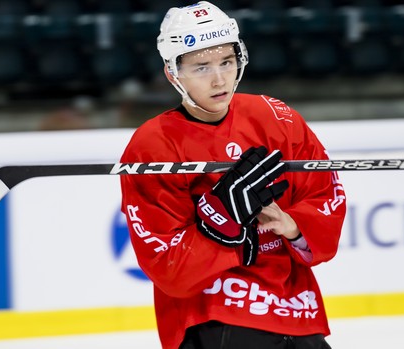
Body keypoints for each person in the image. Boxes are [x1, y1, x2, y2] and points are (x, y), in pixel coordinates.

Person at [119, 2, 347, 348]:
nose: (219, 78)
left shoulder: (276, 117)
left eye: (226, 62)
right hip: (211, 316)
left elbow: (324, 196)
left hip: (294, 310)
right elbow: (167, 268)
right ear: (172, 74)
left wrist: (294, 225)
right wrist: (219, 222)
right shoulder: (153, 145)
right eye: (201, 67)